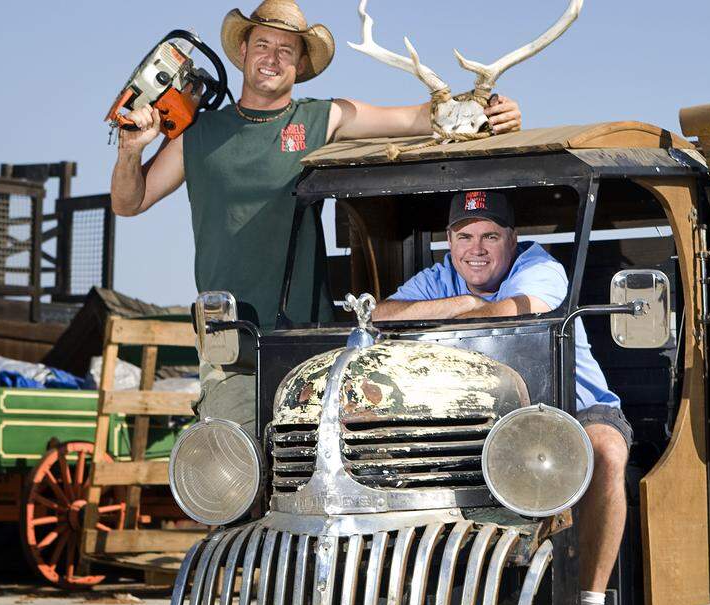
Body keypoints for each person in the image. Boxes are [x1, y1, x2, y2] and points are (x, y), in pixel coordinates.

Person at [109, 1, 520, 434]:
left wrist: (492, 111)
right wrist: (130, 151)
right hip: (228, 346)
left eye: (286, 50)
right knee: (235, 467)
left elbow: (424, 118)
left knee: (310, 467)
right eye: (263, 44)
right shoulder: (198, 133)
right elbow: (128, 203)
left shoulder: (321, 118)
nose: (272, 58)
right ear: (243, 51)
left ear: (300, 63)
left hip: (305, 340)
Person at [373, 191, 631, 605]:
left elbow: (511, 313)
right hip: (478, 424)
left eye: (491, 236)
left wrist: (454, 313)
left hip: (570, 411)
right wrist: (464, 301)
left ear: (513, 240)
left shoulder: (540, 267)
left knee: (606, 450)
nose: (477, 248)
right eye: (465, 236)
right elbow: (380, 317)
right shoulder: (441, 279)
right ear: (448, 242)